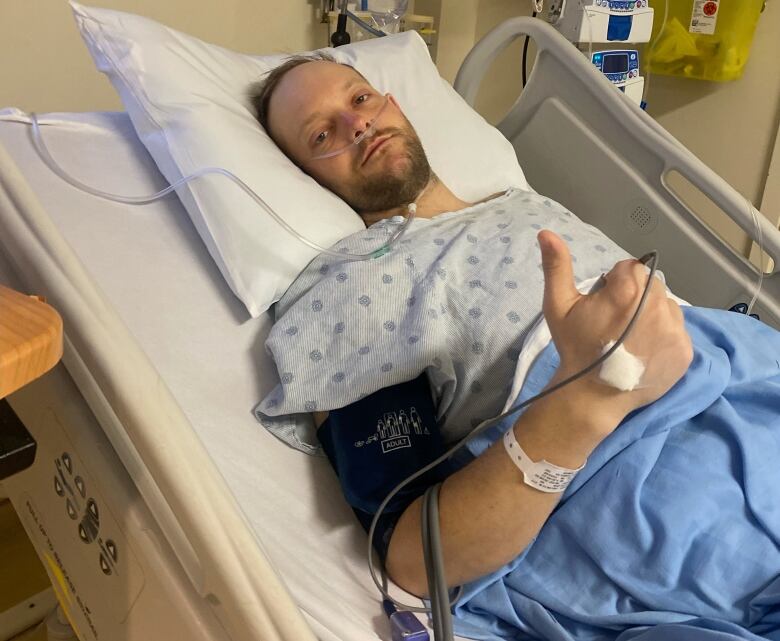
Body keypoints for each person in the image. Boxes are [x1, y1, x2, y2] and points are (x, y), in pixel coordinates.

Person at [248, 55, 693, 598]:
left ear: (394, 104)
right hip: (663, 498)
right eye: (322, 134)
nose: (356, 123)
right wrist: (595, 394)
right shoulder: (350, 289)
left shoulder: (529, 204)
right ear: (304, 179)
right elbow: (414, 555)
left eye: (360, 98)